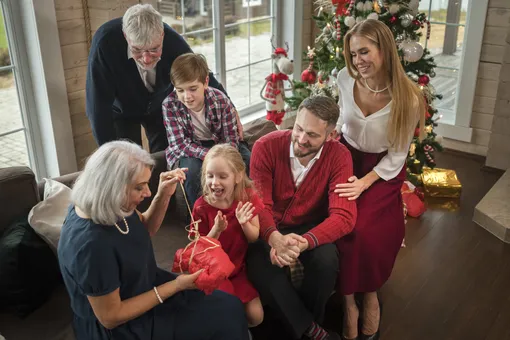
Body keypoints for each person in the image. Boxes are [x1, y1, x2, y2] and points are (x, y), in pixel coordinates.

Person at [57, 141, 249, 340]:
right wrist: (177, 286)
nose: (147, 193)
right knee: (224, 319)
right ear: (112, 188)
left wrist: (163, 194)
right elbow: (111, 317)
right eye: (140, 187)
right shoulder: (90, 246)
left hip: (146, 285)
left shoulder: (111, 204)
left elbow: (144, 229)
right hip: (124, 325)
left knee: (230, 306)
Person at [334, 19, 426, 340]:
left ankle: (370, 293)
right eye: (353, 53)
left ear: (384, 49)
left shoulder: (409, 97)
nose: (358, 60)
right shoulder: (344, 79)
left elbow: (397, 156)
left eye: (365, 51)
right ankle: (348, 304)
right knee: (338, 223)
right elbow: (340, 123)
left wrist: (364, 183)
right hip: (345, 159)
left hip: (381, 170)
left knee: (364, 231)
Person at [247, 96, 357, 340]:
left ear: (330, 135)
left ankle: (305, 325)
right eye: (298, 128)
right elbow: (260, 205)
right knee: (258, 262)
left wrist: (305, 241)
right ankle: (311, 331)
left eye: (312, 135)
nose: (301, 139)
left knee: (327, 260)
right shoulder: (265, 146)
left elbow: (344, 216)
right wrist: (274, 238)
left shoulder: (339, 156)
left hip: (310, 226)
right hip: (269, 222)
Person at [85, 4, 228, 153]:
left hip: (158, 104)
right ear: (126, 37)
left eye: (154, 50)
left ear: (162, 35)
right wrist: (108, 153)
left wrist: (229, 107)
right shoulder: (105, 43)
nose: (146, 59)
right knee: (127, 161)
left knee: (166, 156)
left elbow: (201, 74)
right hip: (122, 111)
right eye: (137, 50)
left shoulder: (173, 40)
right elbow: (97, 108)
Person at [163, 53, 251, 209]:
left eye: (192, 89)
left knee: (248, 160)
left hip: (221, 145)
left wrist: (221, 157)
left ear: (205, 82)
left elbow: (231, 138)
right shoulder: (169, 105)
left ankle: (243, 207)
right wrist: (209, 156)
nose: (187, 96)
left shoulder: (221, 100)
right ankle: (200, 217)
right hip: (188, 150)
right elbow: (180, 145)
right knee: (191, 171)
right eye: (180, 90)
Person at [192, 144, 264, 328]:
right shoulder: (201, 207)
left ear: (238, 176)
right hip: (213, 272)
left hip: (238, 270)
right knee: (229, 312)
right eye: (210, 176)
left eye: (222, 176)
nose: (215, 182)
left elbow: (254, 237)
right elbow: (198, 251)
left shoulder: (247, 197)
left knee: (257, 317)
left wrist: (244, 223)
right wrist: (216, 230)